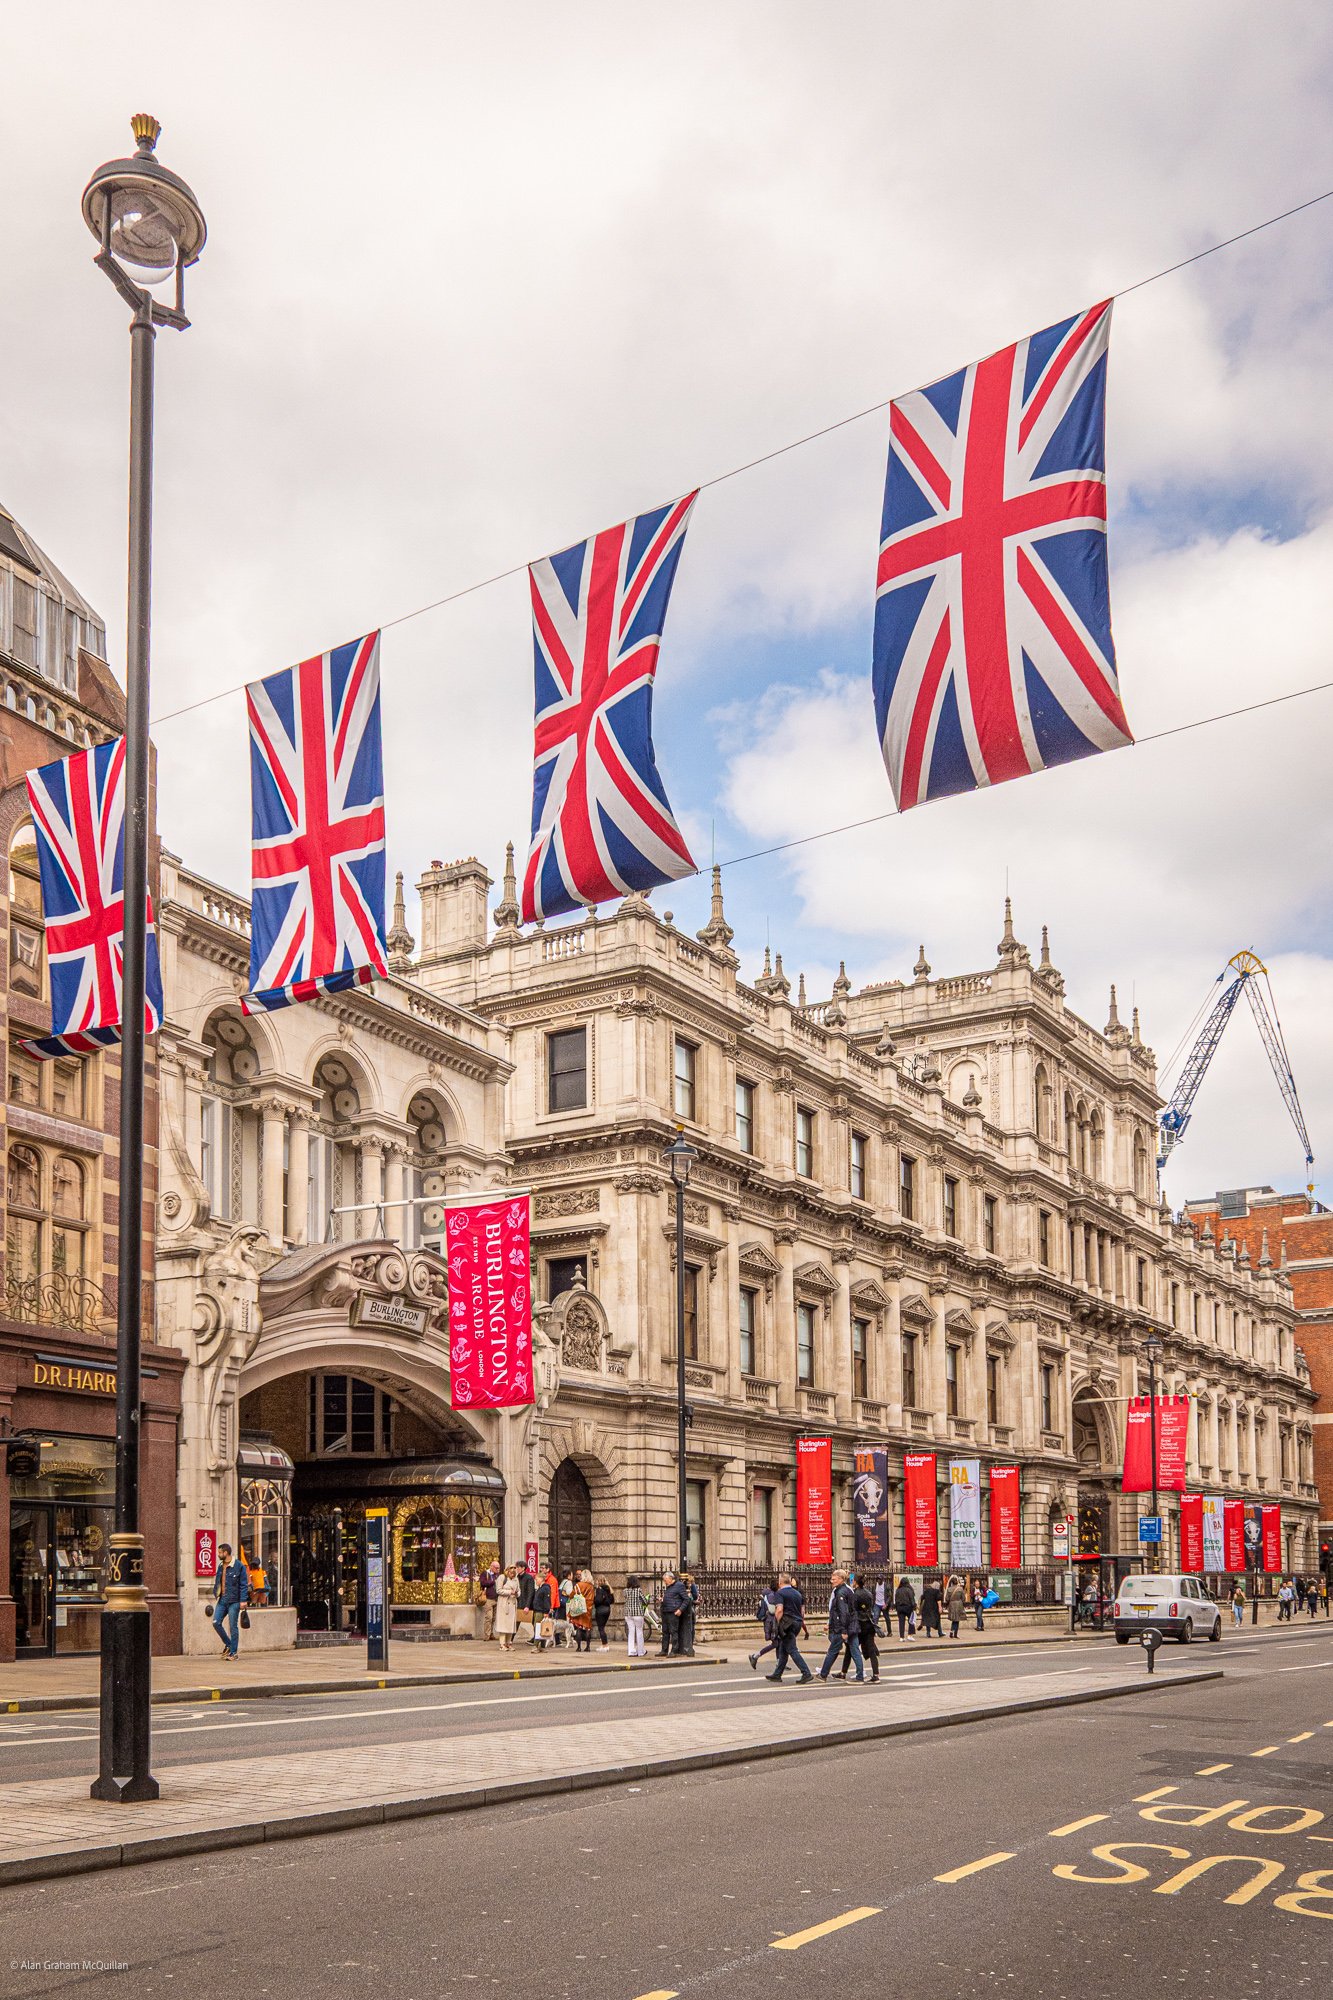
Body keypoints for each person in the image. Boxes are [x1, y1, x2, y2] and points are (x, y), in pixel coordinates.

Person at [817, 1570, 865, 1682]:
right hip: (852, 1625)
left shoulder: (841, 1593)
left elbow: (843, 1613)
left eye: (834, 1579)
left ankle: (823, 1674)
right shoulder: (847, 1590)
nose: (831, 1581)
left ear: (841, 1579)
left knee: (833, 1650)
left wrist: (844, 1630)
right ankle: (860, 1676)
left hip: (843, 1627)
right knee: (854, 1650)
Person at [766, 1572, 813, 1683]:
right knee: (783, 1647)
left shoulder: (780, 1593)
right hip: (797, 1622)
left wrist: (777, 1622)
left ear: (780, 1582)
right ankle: (777, 1674)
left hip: (787, 1623)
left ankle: (806, 1672)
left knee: (792, 1649)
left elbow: (779, 1610)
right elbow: (802, 1610)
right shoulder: (797, 1593)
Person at [212, 1542, 250, 1660]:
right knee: (216, 1622)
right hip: (222, 1600)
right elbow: (218, 1582)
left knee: (233, 1626)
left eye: (220, 1552)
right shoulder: (220, 1566)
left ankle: (233, 1653)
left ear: (226, 1553)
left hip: (234, 1601)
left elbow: (244, 1585)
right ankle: (229, 1644)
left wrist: (243, 1600)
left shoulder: (239, 1566)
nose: (218, 1554)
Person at [851, 1574, 880, 1682]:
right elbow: (871, 1607)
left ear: (855, 1582)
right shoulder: (869, 1594)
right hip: (869, 1624)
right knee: (871, 1651)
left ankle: (858, 1673)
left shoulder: (855, 1594)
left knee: (852, 1649)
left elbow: (853, 1610)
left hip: (859, 1624)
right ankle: (876, 1674)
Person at [750, 1582, 782, 1672]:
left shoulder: (768, 1594)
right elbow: (772, 1610)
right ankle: (755, 1656)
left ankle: (779, 1663)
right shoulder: (772, 1596)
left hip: (771, 1622)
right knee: (776, 1643)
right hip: (771, 1622)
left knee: (778, 1642)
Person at [660, 1572, 690, 1656]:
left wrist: (680, 1610)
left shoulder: (679, 1585)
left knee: (673, 1631)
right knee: (665, 1632)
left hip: (673, 1612)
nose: (665, 1582)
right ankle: (664, 1650)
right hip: (665, 1611)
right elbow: (672, 1597)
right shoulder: (669, 1587)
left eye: (665, 1580)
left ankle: (674, 1650)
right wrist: (663, 1599)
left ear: (670, 1578)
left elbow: (686, 1599)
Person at [494, 1565, 519, 1651]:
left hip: (512, 1603)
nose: (512, 1574)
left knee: (511, 1624)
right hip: (504, 1603)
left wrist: (517, 1593)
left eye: (514, 1573)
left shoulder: (516, 1579)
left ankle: (509, 1643)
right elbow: (498, 1590)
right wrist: (509, 1592)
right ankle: (502, 1644)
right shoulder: (502, 1578)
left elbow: (519, 1590)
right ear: (507, 1571)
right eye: (511, 1573)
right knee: (503, 1624)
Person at [568, 1570, 594, 1652]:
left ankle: (579, 1647)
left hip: (579, 1607)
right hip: (588, 1608)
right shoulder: (591, 1586)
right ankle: (588, 1646)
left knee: (579, 1627)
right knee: (587, 1628)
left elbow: (571, 1595)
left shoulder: (578, 1585)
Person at [623, 1575, 648, 1657]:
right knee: (639, 1632)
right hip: (637, 1613)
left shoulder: (625, 1591)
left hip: (628, 1613)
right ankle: (640, 1651)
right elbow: (644, 1601)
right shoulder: (638, 1590)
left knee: (631, 1632)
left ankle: (631, 1651)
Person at [531, 1571, 553, 1649]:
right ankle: (542, 1647)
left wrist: (546, 1611)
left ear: (541, 1579)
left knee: (538, 1628)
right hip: (537, 1610)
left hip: (541, 1611)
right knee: (541, 1628)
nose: (536, 1581)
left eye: (537, 1579)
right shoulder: (540, 1588)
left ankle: (536, 1646)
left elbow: (546, 1601)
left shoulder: (545, 1588)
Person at [679, 1572, 699, 1656]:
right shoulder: (690, 1585)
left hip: (685, 1608)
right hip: (687, 1608)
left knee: (689, 1625)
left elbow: (694, 1596)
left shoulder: (685, 1585)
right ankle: (687, 1643)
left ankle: (687, 1644)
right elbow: (695, 1596)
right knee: (689, 1625)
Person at [481, 1559, 501, 1642]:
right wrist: (493, 1582)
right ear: (491, 1567)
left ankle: (491, 1634)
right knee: (488, 1617)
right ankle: (487, 1635)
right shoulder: (485, 1573)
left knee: (494, 1618)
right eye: (496, 1568)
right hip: (488, 1598)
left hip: (496, 1598)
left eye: (498, 1568)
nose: (497, 1569)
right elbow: (483, 1583)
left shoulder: (498, 1575)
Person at [516, 1563, 537, 1641]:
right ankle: (510, 1639)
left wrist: (527, 1605)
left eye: (518, 1567)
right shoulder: (517, 1577)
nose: (517, 1569)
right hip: (519, 1602)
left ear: (523, 1568)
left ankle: (536, 1638)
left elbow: (530, 1592)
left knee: (533, 1621)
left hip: (528, 1604)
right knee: (516, 1622)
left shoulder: (529, 1578)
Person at [893, 1574, 917, 1641]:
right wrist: (914, 1607)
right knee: (911, 1621)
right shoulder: (909, 1590)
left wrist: (897, 1607)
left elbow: (896, 1600)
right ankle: (910, 1635)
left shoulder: (898, 1590)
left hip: (900, 1608)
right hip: (908, 1608)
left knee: (901, 1622)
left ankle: (901, 1637)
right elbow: (912, 1600)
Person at [593, 1576, 614, 1650]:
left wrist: (594, 1599)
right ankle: (604, 1644)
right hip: (607, 1610)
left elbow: (598, 1601)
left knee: (601, 1628)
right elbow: (612, 1600)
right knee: (602, 1628)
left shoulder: (599, 1589)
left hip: (600, 1610)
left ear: (599, 1581)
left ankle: (605, 1645)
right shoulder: (609, 1589)